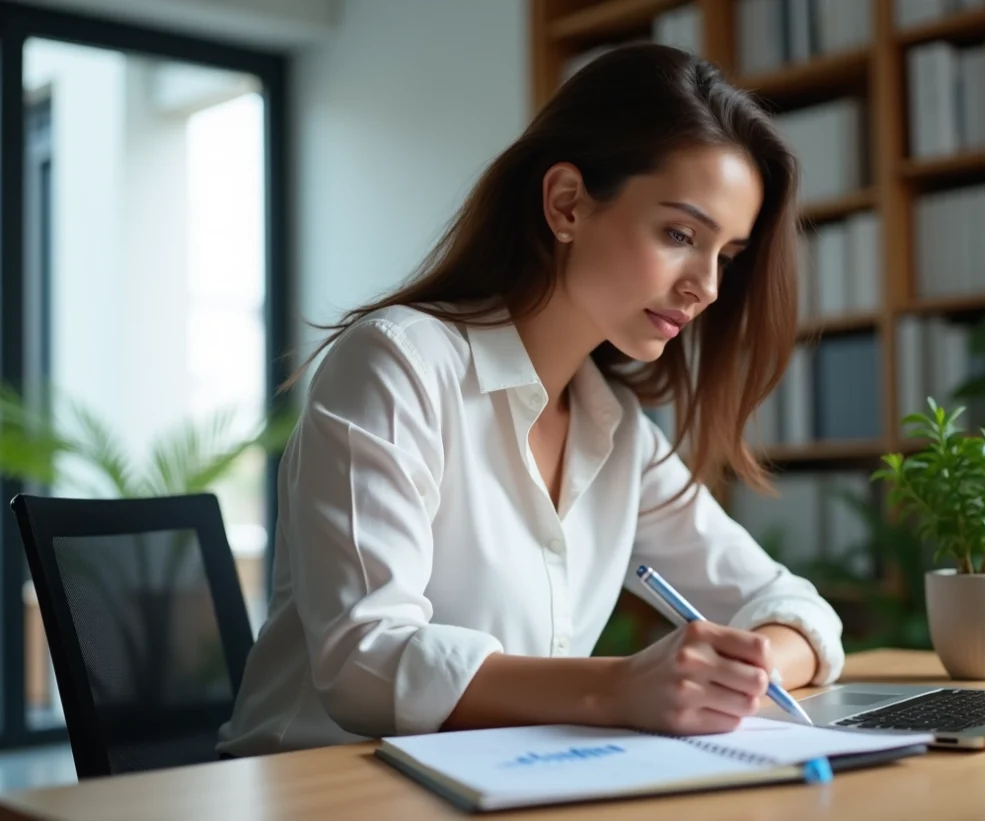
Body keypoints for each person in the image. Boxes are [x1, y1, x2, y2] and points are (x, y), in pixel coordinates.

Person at [216, 42, 844, 758]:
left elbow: (795, 608)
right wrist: (620, 688)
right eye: (679, 235)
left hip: (500, 786)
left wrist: (732, 672)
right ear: (567, 203)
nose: (707, 285)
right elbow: (364, 662)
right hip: (322, 787)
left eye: (726, 256)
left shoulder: (620, 435)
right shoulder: (398, 364)